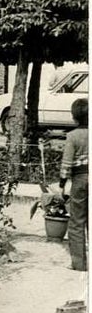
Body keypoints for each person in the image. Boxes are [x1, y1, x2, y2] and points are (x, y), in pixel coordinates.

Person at [59, 97, 88, 272]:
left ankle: (79, 264)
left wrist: (62, 184)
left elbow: (66, 164)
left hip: (80, 180)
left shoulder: (72, 136)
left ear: (74, 117)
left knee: (77, 222)